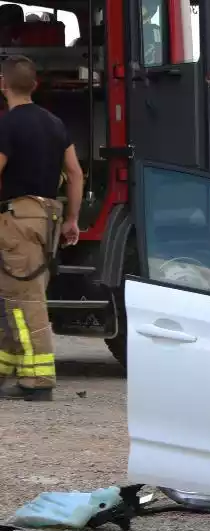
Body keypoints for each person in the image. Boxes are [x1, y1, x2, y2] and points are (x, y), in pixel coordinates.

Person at [0, 55, 82, 401]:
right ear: (35, 85)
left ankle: (37, 381)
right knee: (13, 295)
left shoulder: (7, 125)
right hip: (47, 218)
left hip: (17, 218)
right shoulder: (55, 124)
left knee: (23, 299)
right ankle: (6, 367)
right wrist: (73, 220)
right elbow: (75, 174)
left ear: (3, 84)